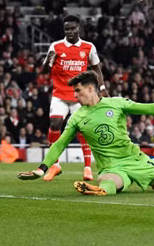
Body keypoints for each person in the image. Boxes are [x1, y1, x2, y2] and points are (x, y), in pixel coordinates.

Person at [17, 70, 154, 196]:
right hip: (111, 167)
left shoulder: (116, 103)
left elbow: (147, 107)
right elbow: (60, 143)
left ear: (91, 89)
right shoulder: (77, 117)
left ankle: (146, 180)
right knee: (107, 184)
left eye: (78, 91)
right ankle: (98, 189)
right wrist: (42, 168)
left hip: (135, 159)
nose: (75, 96)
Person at [40, 15, 108, 182]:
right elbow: (43, 71)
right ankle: (55, 165)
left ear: (79, 28)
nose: (70, 31)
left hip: (80, 95)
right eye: (67, 29)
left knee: (83, 128)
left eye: (72, 28)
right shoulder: (56, 46)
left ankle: (87, 168)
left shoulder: (88, 47)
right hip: (60, 94)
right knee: (55, 124)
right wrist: (48, 60)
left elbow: (96, 69)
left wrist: (102, 88)